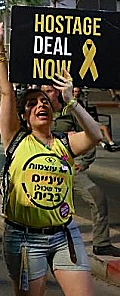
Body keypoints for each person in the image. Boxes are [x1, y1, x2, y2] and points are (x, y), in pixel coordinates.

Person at [0, 15, 101, 296]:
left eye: (45, 102)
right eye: (33, 104)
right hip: (24, 239)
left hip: (64, 235)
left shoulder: (64, 143)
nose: (40, 106)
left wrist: (71, 100)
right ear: (24, 115)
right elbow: (7, 93)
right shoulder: (16, 139)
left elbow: (94, 135)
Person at [53, 88, 120, 257]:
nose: (49, 94)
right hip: (43, 169)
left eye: (51, 90)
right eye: (45, 90)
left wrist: (83, 163)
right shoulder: (36, 109)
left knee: (97, 198)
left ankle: (101, 243)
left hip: (68, 167)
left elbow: (90, 134)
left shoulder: (72, 110)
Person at [73, 86, 119, 151]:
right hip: (78, 122)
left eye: (78, 92)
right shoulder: (70, 102)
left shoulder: (80, 102)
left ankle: (111, 143)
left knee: (104, 127)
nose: (77, 93)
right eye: (75, 92)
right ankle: (103, 144)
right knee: (91, 133)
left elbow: (84, 112)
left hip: (87, 120)